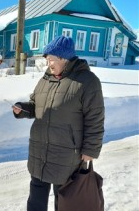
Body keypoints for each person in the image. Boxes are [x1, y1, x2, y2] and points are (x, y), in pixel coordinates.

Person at [12, 35, 104, 211]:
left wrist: (90, 150)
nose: (48, 64)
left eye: (51, 60)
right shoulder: (46, 79)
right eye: (47, 60)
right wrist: (22, 109)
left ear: (64, 58)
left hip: (67, 154)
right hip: (40, 152)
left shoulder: (87, 81)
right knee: (35, 200)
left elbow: (95, 119)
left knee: (64, 201)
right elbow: (36, 106)